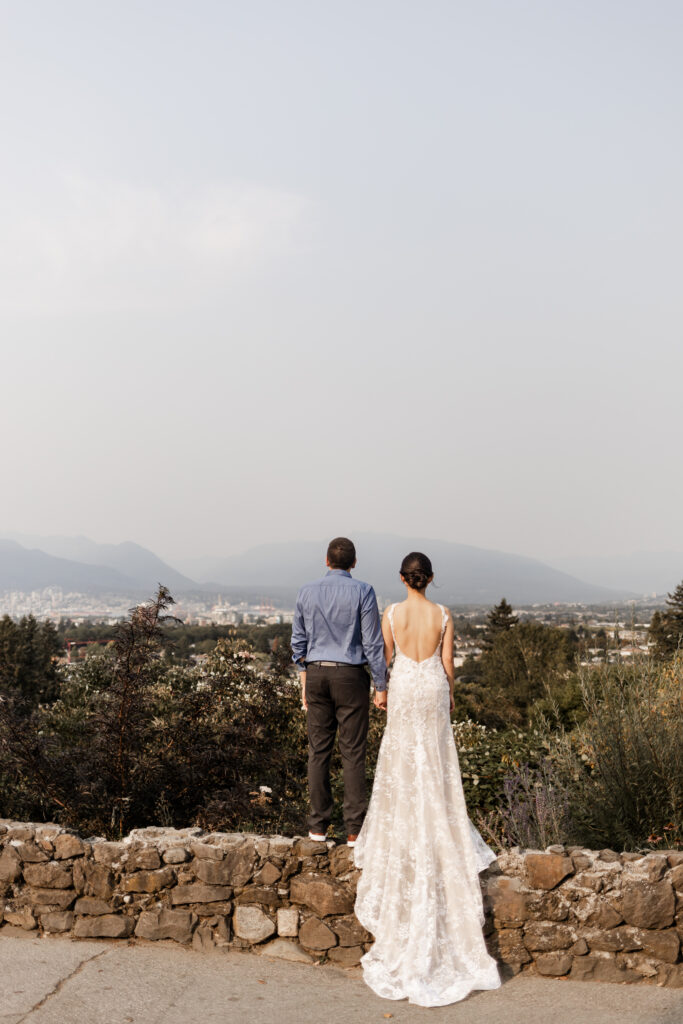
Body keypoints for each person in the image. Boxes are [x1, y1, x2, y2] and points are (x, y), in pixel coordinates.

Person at [354, 551, 501, 1007]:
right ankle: (436, 819)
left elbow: (387, 656)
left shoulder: (393, 612)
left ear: (402, 578)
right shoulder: (443, 613)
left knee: (400, 759)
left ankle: (404, 822)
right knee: (434, 760)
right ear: (430, 578)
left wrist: (382, 692)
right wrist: (452, 696)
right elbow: (449, 662)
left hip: (404, 686)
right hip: (432, 686)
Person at [291, 537, 387, 845]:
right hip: (350, 676)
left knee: (318, 751)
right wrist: (381, 684)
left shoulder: (306, 591)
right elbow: (372, 642)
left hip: (317, 673)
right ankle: (354, 831)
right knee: (353, 753)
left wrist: (304, 674)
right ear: (354, 563)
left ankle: (317, 827)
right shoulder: (363, 590)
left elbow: (298, 642)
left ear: (326, 561)